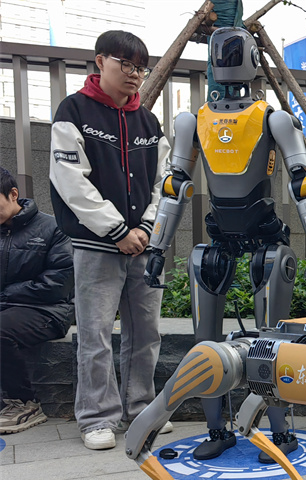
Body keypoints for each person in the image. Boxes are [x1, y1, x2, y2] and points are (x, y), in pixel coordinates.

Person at [49, 30, 172, 450]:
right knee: (95, 333)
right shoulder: (74, 111)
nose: (135, 74)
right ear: (100, 62)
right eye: (126, 64)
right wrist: (117, 230)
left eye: (141, 67)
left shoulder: (148, 122)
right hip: (95, 245)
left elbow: (166, 182)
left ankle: (141, 408)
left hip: (145, 244)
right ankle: (97, 418)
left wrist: (147, 228)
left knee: (147, 333)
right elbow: (70, 181)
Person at [0, 168, 74, 434]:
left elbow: (58, 284)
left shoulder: (53, 228)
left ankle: (24, 403)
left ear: (13, 194)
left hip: (48, 310)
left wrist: (5, 294)